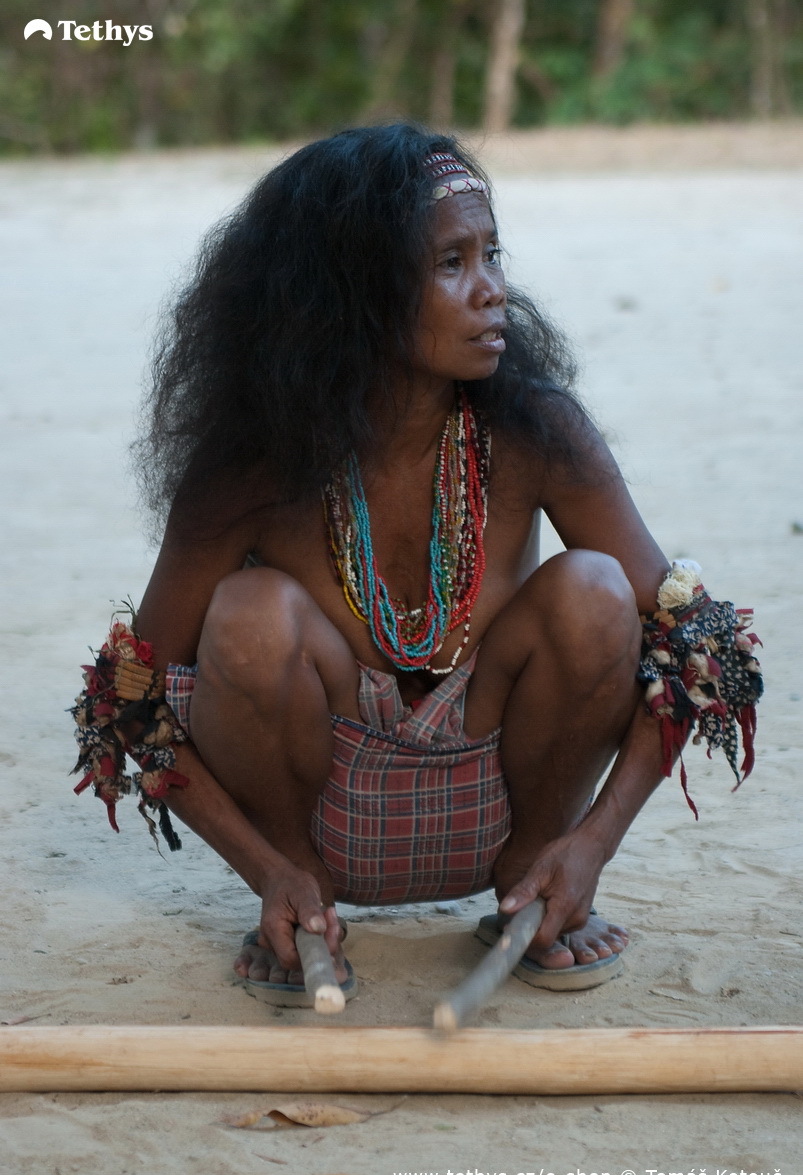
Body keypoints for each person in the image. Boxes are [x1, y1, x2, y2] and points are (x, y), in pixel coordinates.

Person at [72, 123, 762, 1005]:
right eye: (451, 264)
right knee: (249, 615)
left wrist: (589, 845)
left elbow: (699, 648)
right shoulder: (248, 471)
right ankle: (302, 911)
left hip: (506, 822)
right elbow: (123, 702)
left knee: (595, 590)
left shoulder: (537, 433)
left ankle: (534, 895)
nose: (493, 290)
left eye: (492, 254)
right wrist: (265, 870)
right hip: (313, 838)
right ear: (352, 293)